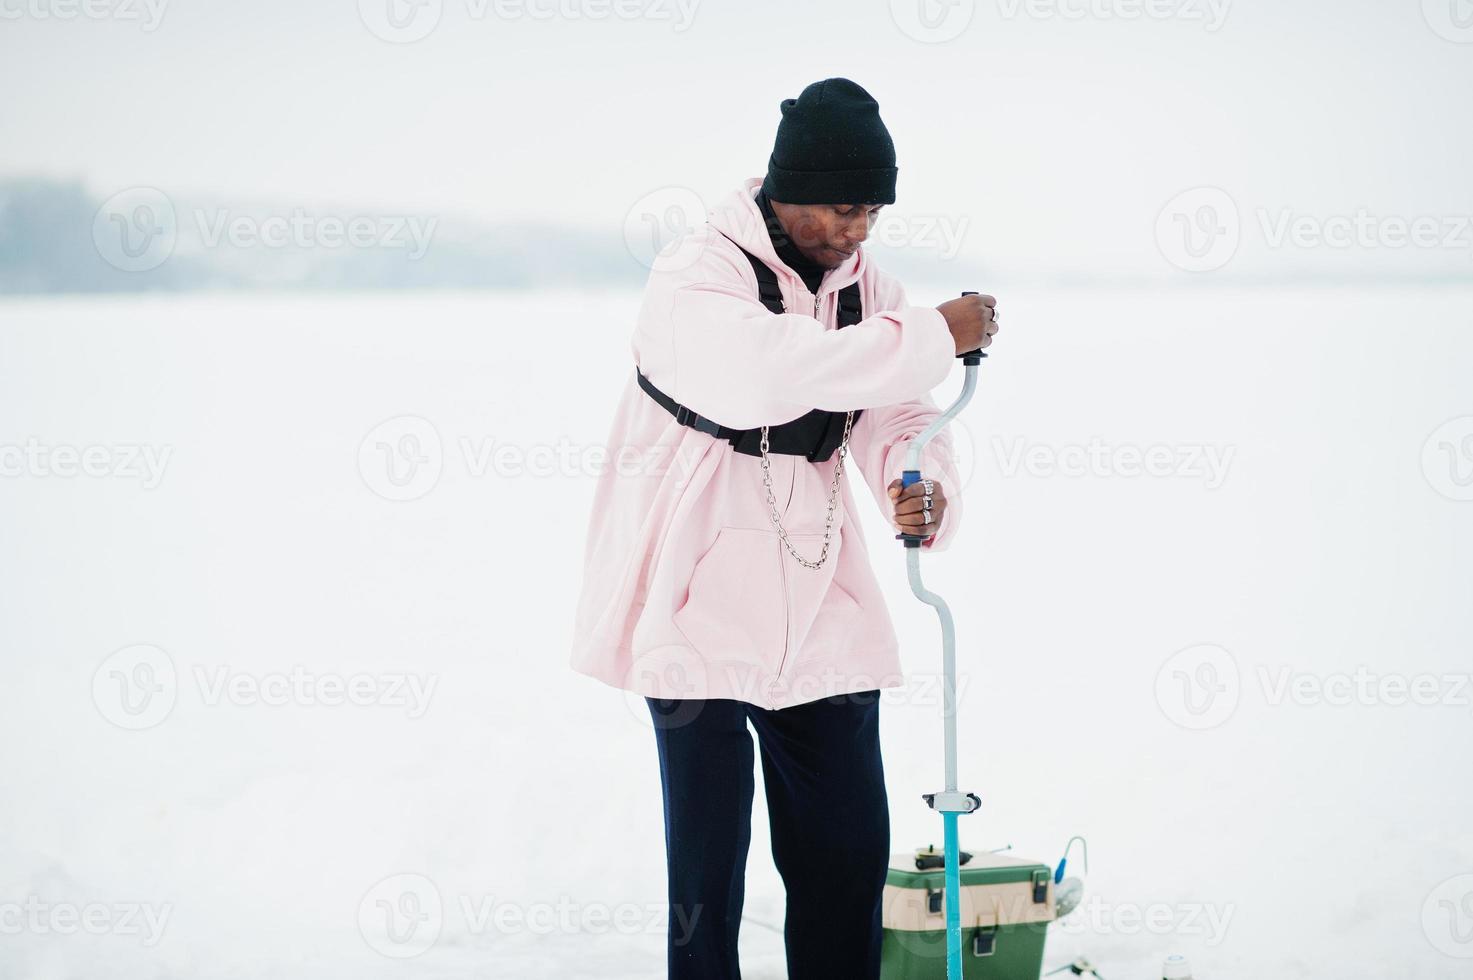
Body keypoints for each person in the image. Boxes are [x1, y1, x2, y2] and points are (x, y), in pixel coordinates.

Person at [571, 77, 999, 979]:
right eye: (844, 209)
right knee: (708, 871)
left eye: (874, 213)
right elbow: (763, 375)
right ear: (785, 189)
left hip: (817, 584)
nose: (858, 231)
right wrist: (930, 333)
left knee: (843, 853)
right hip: (692, 585)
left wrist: (914, 481)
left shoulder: (866, 284)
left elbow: (895, 407)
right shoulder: (697, 271)